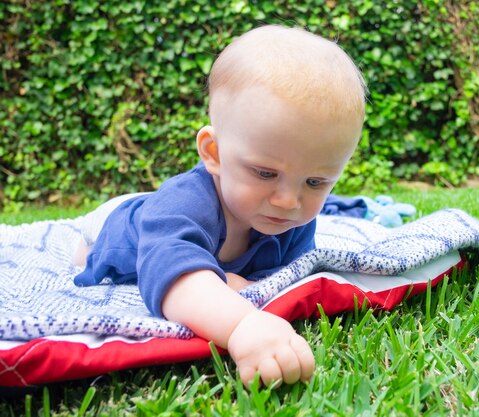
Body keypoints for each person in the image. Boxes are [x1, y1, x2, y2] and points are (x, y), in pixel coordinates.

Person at [73, 24, 367, 387]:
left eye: (316, 182)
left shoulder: (294, 216)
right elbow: (175, 280)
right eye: (265, 172)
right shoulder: (184, 204)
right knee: (90, 249)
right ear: (213, 153)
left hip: (165, 216)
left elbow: (290, 275)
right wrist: (243, 324)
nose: (289, 201)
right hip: (119, 220)